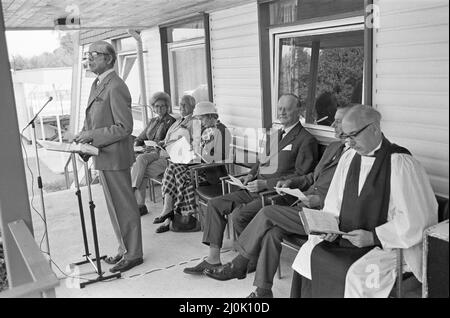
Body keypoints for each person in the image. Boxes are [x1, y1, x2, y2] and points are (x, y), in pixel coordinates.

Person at [202, 104, 353, 298]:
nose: (333, 125)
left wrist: (318, 198)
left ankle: (240, 262)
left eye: (338, 121)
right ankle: (263, 291)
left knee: (266, 213)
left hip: (324, 215)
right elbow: (310, 178)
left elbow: (348, 194)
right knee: (272, 233)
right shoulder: (334, 147)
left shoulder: (356, 157)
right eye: (279, 108)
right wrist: (290, 182)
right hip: (302, 202)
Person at [291, 104, 438, 298]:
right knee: (307, 254)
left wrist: (373, 237)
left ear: (374, 128)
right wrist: (330, 227)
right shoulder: (348, 158)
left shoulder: (402, 164)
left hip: (385, 245)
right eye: (345, 136)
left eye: (354, 135)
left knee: (355, 276)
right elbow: (335, 202)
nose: (349, 143)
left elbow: (417, 220)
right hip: (345, 237)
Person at [183, 94, 318, 275]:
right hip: (255, 187)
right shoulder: (275, 134)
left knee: (240, 216)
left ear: (299, 111)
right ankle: (213, 259)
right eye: (279, 108)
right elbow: (261, 161)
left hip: (277, 195)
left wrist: (266, 184)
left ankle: (253, 257)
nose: (282, 112)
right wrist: (251, 175)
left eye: (287, 108)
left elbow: (302, 177)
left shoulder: (305, 139)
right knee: (216, 204)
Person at [74, 41, 143, 273]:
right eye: (88, 55)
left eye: (95, 54)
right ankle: (125, 249)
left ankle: (134, 254)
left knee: (125, 207)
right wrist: (84, 141)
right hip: (102, 156)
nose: (90, 58)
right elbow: (92, 119)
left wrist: (91, 135)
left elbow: (124, 127)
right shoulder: (97, 83)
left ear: (110, 59)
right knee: (115, 209)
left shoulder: (116, 86)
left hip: (116, 158)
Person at [154, 101, 231, 233]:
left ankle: (175, 216)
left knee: (179, 175)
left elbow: (216, 157)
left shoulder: (222, 131)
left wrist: (196, 152)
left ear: (211, 116)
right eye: (199, 119)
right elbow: (199, 150)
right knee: (173, 167)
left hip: (212, 173)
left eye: (202, 118)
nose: (200, 122)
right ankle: (170, 212)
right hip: (198, 166)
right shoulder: (205, 130)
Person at [131, 92, 176, 216]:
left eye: (162, 106)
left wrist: (157, 145)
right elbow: (141, 137)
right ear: (153, 107)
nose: (159, 109)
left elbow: (170, 142)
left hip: (160, 152)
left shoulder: (171, 121)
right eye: (156, 106)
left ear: (167, 107)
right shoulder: (153, 121)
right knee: (142, 169)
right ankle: (140, 205)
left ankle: (132, 188)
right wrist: (136, 145)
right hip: (148, 152)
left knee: (140, 160)